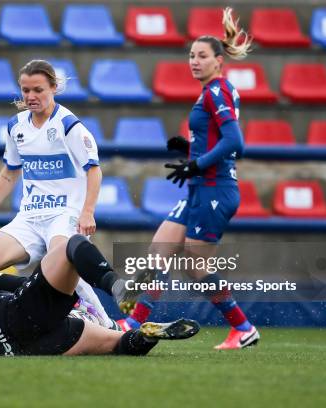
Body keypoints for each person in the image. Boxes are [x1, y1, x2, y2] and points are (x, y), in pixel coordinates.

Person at [124, 7, 260, 350]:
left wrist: (197, 165)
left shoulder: (217, 91)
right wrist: (188, 148)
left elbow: (235, 142)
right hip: (203, 188)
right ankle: (133, 321)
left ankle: (242, 328)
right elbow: (218, 140)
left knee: (194, 266)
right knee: (160, 251)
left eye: (202, 55)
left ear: (218, 61)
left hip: (215, 190)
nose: (194, 61)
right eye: (191, 55)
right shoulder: (212, 91)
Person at [0, 59, 114, 327]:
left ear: (53, 87)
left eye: (38, 90)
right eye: (26, 90)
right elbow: (9, 171)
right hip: (29, 217)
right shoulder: (16, 126)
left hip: (65, 215)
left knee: (64, 263)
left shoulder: (69, 125)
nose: (30, 96)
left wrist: (87, 211)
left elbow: (94, 170)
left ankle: (105, 324)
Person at [0, 235, 200, 356]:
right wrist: (49, 277)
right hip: (25, 317)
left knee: (120, 346)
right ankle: (117, 287)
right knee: (70, 246)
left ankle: (145, 336)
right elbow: (19, 285)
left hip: (34, 347)